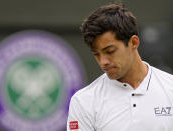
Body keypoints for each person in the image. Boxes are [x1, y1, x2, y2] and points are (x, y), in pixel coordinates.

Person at [67, 3, 173, 131]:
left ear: (134, 42)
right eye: (97, 54)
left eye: (110, 51)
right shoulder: (83, 101)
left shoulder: (170, 88)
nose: (103, 62)